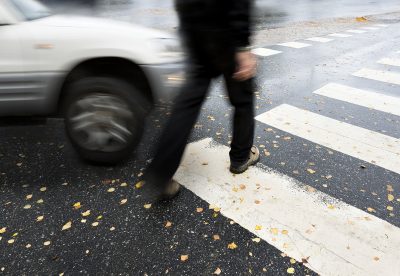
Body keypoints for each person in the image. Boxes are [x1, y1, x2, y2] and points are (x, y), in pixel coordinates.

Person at [144, 0, 259, 200]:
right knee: (243, 98)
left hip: (194, 28)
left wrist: (187, 27)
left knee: (187, 104)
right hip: (225, 30)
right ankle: (240, 157)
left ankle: (161, 172)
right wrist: (242, 46)